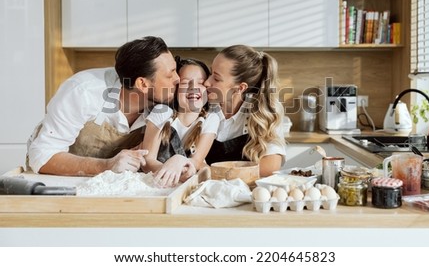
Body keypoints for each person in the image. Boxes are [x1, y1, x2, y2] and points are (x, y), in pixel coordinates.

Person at [26, 36, 181, 176]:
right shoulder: (83, 92)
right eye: (170, 74)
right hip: (61, 187)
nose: (178, 79)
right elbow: (42, 156)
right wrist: (106, 165)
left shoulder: (162, 101)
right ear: (142, 84)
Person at [204, 45, 286, 177]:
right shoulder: (201, 106)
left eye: (216, 78)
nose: (207, 82)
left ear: (240, 88)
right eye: (210, 73)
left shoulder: (264, 111)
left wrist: (210, 172)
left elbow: (270, 168)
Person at [141, 57, 220, 187]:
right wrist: (170, 170)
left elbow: (197, 161)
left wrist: (179, 163)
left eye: (200, 83)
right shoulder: (162, 112)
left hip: (188, 181)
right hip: (156, 181)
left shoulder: (211, 118)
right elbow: (147, 161)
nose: (193, 88)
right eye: (185, 83)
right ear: (175, 89)